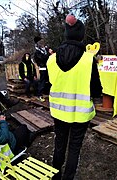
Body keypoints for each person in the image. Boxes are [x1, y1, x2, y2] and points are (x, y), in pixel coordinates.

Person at [47, 14, 102, 180]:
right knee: (74, 147)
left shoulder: (51, 59)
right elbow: (96, 90)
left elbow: (52, 82)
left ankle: (54, 176)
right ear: (81, 35)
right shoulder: (88, 59)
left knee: (59, 144)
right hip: (80, 113)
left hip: (58, 111)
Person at [34, 36, 50, 102]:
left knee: (49, 81)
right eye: (40, 42)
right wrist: (49, 54)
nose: (42, 43)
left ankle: (47, 93)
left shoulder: (45, 49)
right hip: (43, 68)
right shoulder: (37, 52)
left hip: (48, 67)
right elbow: (42, 58)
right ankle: (39, 95)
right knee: (42, 82)